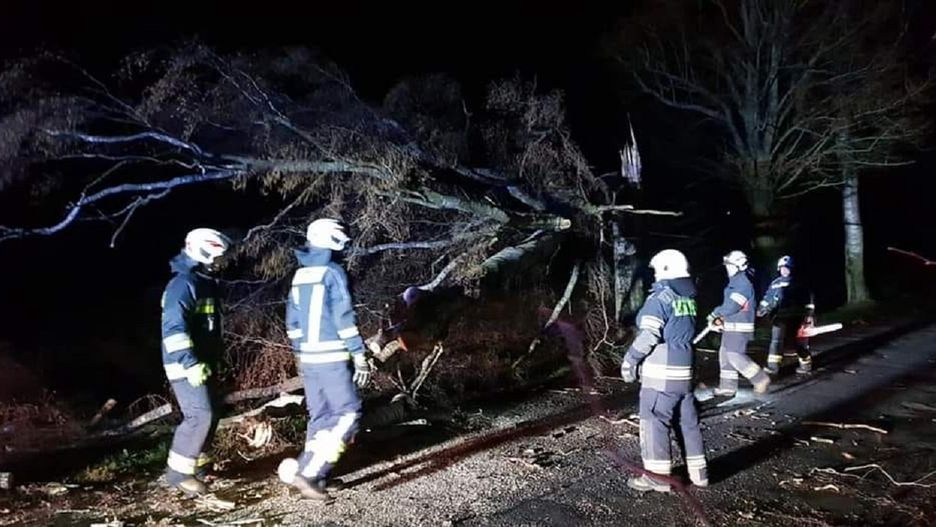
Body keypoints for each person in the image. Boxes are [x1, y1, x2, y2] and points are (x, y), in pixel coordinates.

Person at [277, 218, 371, 500]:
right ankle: (308, 475)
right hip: (332, 357)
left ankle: (315, 475)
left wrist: (299, 354)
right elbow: (344, 319)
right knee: (348, 413)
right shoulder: (333, 272)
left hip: (309, 360)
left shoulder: (300, 275)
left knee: (320, 416)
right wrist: (359, 354)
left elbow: (291, 323)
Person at [621, 249, 708, 492]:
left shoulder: (661, 298)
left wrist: (630, 361)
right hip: (685, 373)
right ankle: (700, 475)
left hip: (661, 376)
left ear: (668, 271)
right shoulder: (689, 298)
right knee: (687, 423)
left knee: (653, 421)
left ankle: (656, 478)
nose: (656, 276)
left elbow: (649, 335)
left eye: (658, 271)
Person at [160, 228, 231, 495]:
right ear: (203, 253)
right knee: (199, 415)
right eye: (216, 257)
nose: (219, 263)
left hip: (202, 362)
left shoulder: (203, 282)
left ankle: (198, 464)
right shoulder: (183, 284)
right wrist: (189, 363)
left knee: (210, 413)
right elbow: (173, 329)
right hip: (186, 364)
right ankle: (178, 474)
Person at [707, 250, 770, 396]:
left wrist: (715, 313)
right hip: (732, 325)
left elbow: (732, 306)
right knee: (725, 355)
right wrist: (722, 319)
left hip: (740, 327)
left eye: (730, 265)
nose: (727, 268)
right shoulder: (735, 281)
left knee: (735, 355)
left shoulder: (743, 283)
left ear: (740, 266)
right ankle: (728, 387)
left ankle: (760, 379)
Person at [758, 256, 813, 375]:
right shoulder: (775, 283)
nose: (784, 270)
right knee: (776, 341)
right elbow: (768, 298)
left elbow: (808, 301)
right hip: (780, 317)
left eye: (787, 268)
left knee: (797, 342)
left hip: (796, 317)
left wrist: (809, 316)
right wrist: (762, 308)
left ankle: (806, 364)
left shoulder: (799, 283)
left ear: (791, 269)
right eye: (782, 268)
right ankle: (773, 367)